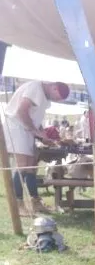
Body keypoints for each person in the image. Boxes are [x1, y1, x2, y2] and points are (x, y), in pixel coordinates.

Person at [3, 80, 70, 216]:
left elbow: (34, 119)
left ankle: (35, 202)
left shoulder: (43, 95)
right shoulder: (35, 87)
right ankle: (19, 205)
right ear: (54, 88)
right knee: (22, 166)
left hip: (26, 130)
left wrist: (43, 135)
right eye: (56, 97)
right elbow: (21, 112)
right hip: (17, 128)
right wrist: (37, 132)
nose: (55, 100)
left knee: (31, 166)